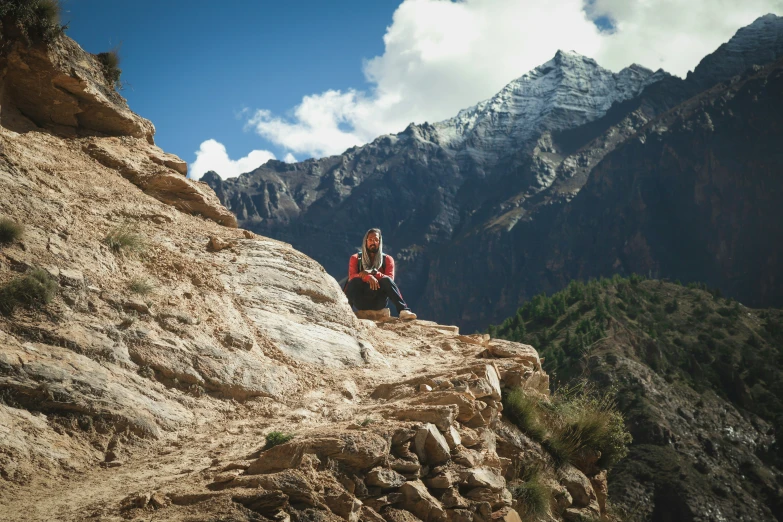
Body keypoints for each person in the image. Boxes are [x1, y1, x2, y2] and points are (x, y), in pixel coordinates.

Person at [345, 228, 417, 320]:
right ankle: (344, 310)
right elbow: (352, 276)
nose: (373, 242)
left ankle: (403, 310)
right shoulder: (355, 258)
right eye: (370, 239)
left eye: (376, 240)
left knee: (386, 280)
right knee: (354, 281)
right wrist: (368, 277)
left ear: (380, 242)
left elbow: (390, 279)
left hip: (378, 301)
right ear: (365, 241)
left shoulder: (387, 259)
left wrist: (374, 272)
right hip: (361, 300)